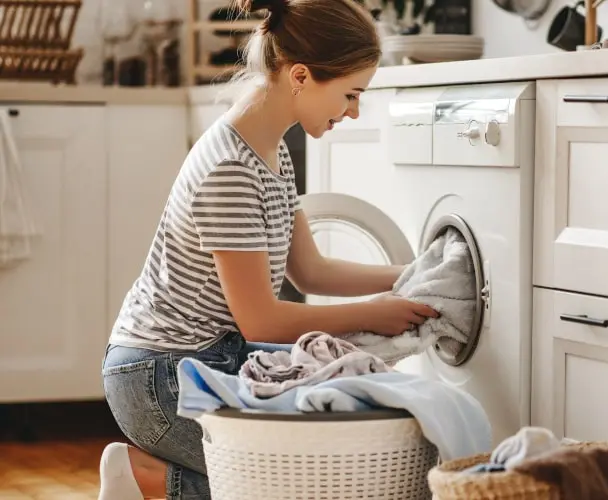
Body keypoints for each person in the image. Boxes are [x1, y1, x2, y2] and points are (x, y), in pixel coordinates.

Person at [98, 0, 438, 498]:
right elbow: (261, 320)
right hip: (159, 378)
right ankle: (145, 478)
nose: (353, 110)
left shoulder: (269, 147)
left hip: (207, 359)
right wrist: (373, 313)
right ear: (300, 75)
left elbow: (309, 271)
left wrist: (411, 275)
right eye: (349, 94)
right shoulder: (231, 169)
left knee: (317, 466)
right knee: (290, 482)